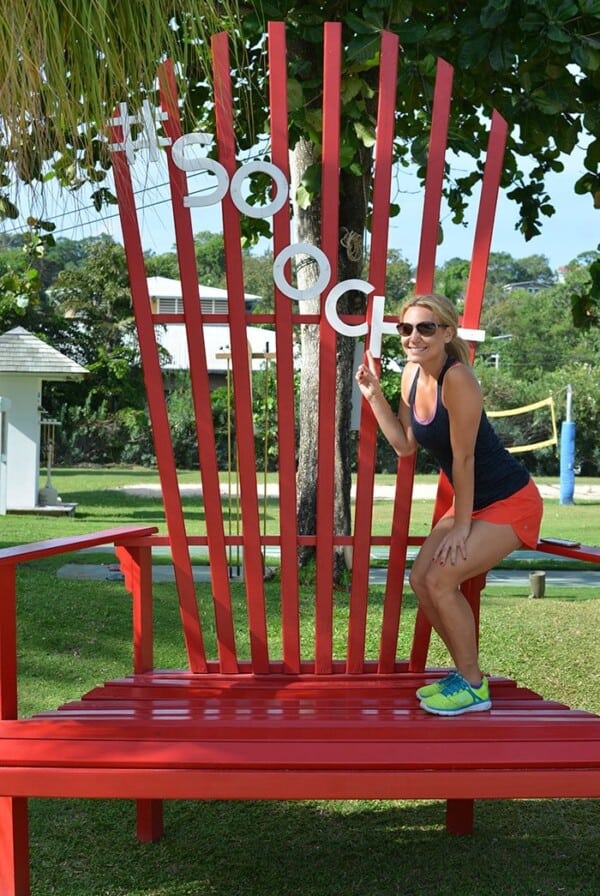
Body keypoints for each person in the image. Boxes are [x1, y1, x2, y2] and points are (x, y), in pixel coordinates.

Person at [355, 293, 543, 716]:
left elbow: (464, 457)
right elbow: (405, 446)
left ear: (447, 333)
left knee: (441, 581)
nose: (414, 337)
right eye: (406, 329)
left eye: (425, 328)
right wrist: (373, 395)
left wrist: (460, 526)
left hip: (510, 500)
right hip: (472, 499)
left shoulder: (458, 379)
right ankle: (464, 674)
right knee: (421, 580)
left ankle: (474, 685)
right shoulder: (409, 375)